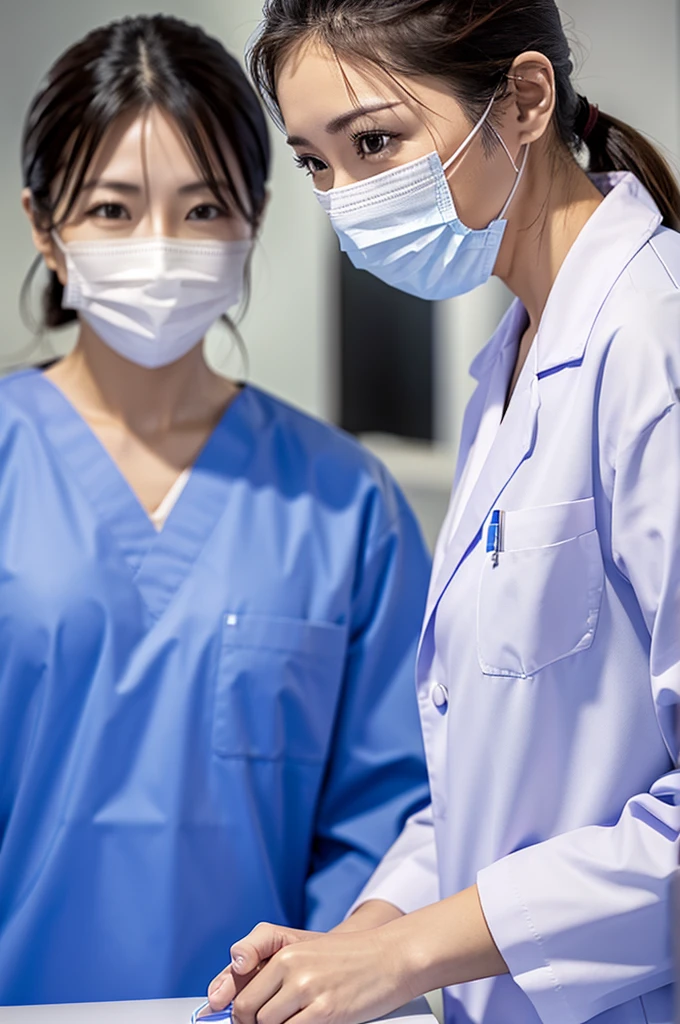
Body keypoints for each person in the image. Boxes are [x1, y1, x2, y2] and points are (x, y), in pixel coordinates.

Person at [205, 2, 680, 1023]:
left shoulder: (652, 344)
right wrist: (361, 938)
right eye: (315, 163)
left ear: (521, 99)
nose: (345, 198)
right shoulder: (508, 367)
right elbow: (489, 781)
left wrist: (413, 952)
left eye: (373, 141)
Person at [0, 14, 431, 1005]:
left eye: (202, 209)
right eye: (112, 208)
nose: (160, 245)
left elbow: (392, 810)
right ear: (43, 224)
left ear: (253, 217)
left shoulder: (339, 500)